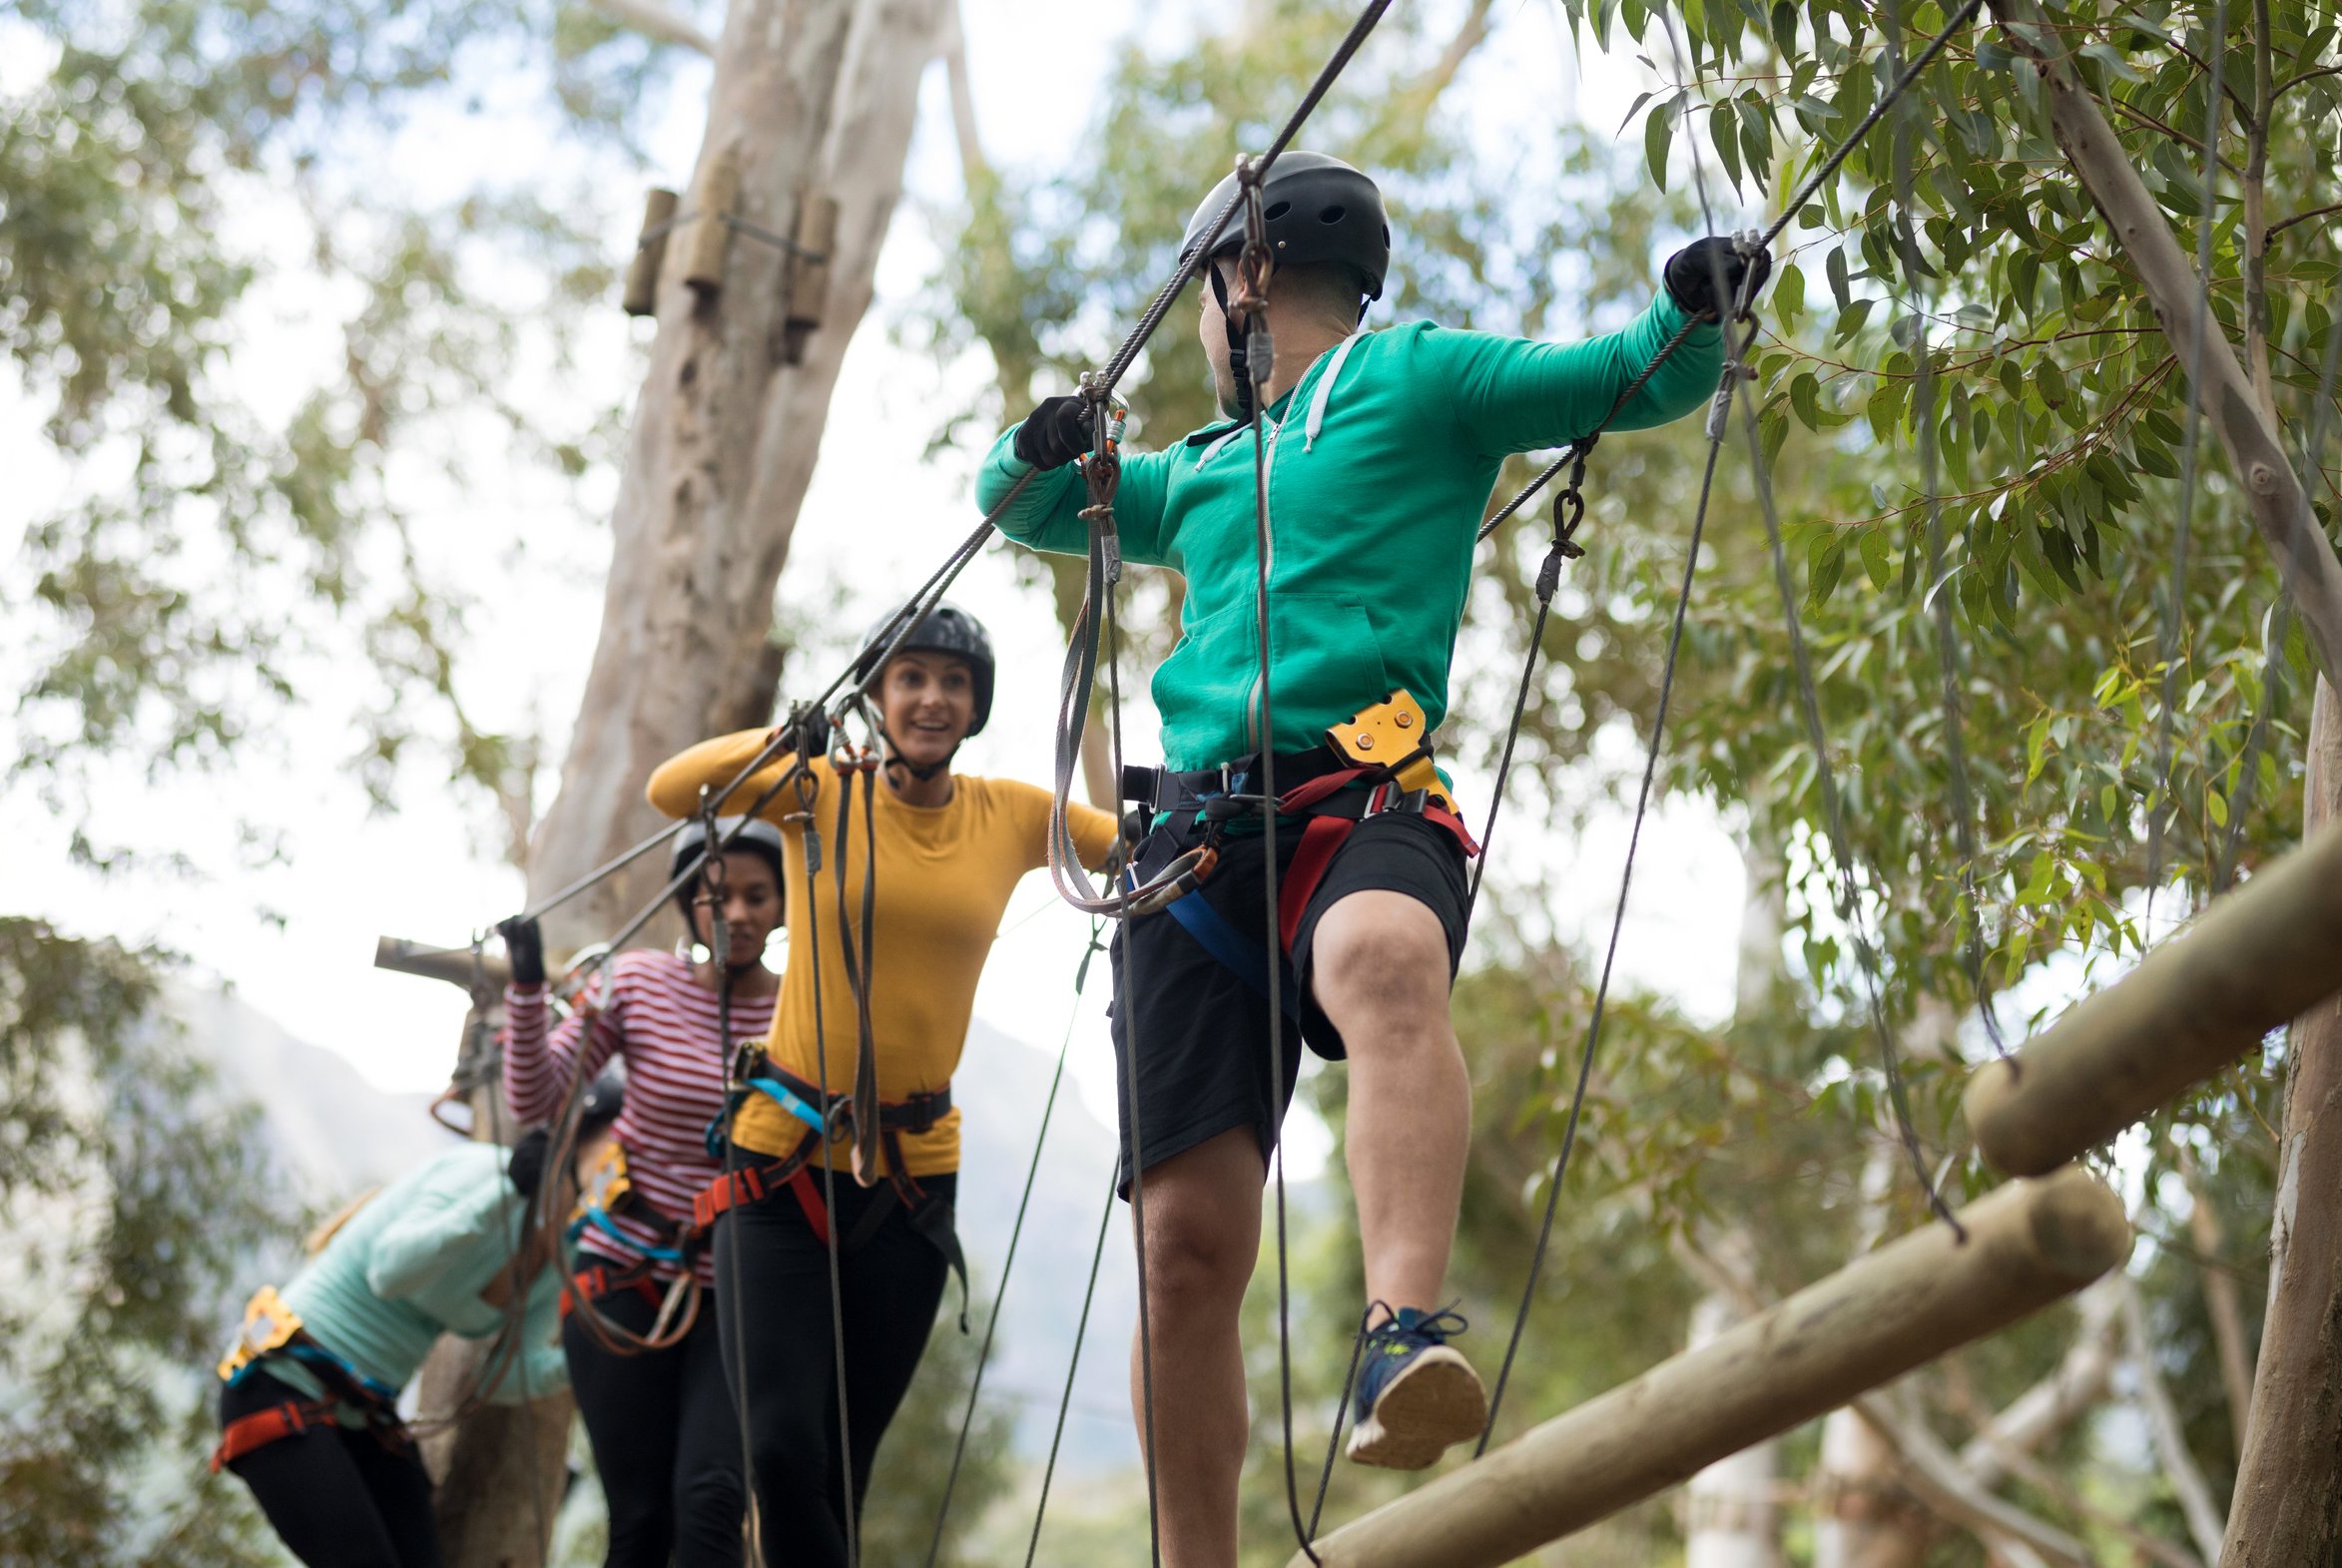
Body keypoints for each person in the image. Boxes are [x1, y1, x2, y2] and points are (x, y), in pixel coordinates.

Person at [976, 152, 1770, 1565]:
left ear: (1248, 277)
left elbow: (1622, 378)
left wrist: (1697, 314)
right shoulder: (1204, 468)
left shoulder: (1418, 377)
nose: (1207, 326)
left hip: (1366, 789)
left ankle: (1402, 1329)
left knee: (1385, 956)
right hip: (1191, 848)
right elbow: (1030, 506)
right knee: (1184, 1251)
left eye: (1211, 295)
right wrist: (1036, 447)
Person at [646, 602, 1120, 1563]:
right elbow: (672, 787)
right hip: (776, 1165)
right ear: (875, 694)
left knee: (843, 1470)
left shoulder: (1012, 813)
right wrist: (789, 737)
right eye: (910, 678)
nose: (932, 697)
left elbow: (1129, 848)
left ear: (977, 704)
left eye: (953, 682)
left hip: (907, 1180)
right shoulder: (815, 789)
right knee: (781, 1450)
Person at [496, 819, 786, 1568]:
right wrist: (528, 989)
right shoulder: (637, 981)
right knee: (642, 1518)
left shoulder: (803, 1010)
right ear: (690, 903)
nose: (739, 914)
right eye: (717, 896)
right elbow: (537, 1096)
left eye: (759, 896)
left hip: (738, 1292)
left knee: (712, 1500)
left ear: (786, 907)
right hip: (624, 1274)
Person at [209, 1108, 607, 1568]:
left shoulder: (567, 1249)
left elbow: (505, 1375)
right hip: (279, 1382)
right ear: (584, 1138)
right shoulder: (480, 1171)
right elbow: (390, 1271)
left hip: (364, 1415)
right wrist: (506, 1193)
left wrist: (588, 1355)